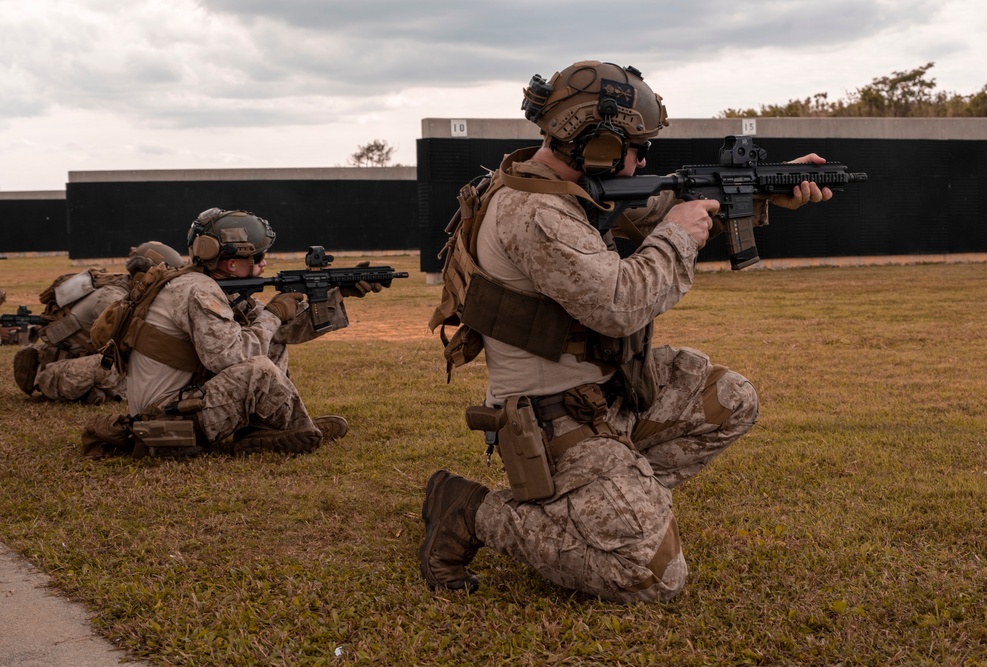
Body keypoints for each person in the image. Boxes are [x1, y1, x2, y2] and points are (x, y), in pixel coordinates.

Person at [421, 60, 834, 603]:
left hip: (611, 394)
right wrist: (678, 237)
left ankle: (614, 500)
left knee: (730, 398)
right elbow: (619, 305)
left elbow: (661, 202)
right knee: (651, 577)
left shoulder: (572, 190)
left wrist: (764, 188)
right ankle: (473, 511)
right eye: (637, 147)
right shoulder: (535, 211)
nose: (643, 160)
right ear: (598, 145)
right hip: (554, 419)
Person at [87, 207, 379, 458]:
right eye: (259, 256)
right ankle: (291, 429)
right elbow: (230, 357)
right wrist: (273, 313)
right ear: (231, 263)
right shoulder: (198, 291)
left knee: (269, 341)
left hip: (180, 405)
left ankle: (268, 429)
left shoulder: (207, 284)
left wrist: (339, 294)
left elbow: (281, 332)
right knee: (258, 367)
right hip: (164, 422)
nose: (264, 263)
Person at [12, 242, 185, 405]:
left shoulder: (126, 290)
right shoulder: (112, 298)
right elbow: (136, 347)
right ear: (143, 276)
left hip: (71, 368)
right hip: (57, 373)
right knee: (138, 366)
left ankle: (101, 393)